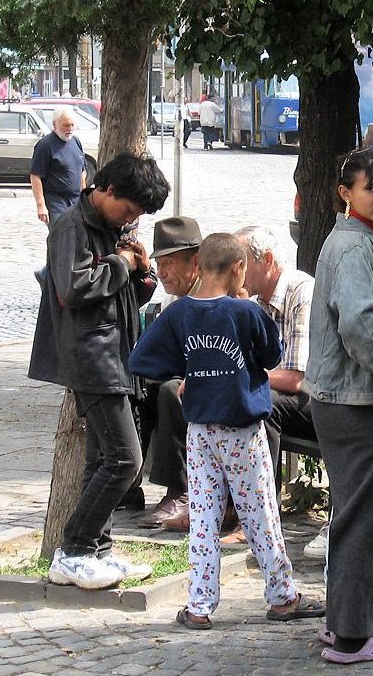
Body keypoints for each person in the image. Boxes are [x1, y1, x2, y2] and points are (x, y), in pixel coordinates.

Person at [127, 232, 326, 630]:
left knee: (203, 517)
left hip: (199, 431)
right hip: (243, 432)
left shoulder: (179, 313)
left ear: (198, 266)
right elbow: (271, 355)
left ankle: (199, 606)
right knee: (261, 513)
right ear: (238, 268)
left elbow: (142, 359)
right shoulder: (246, 313)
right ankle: (283, 595)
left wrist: (190, 370)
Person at [29, 152, 169, 590]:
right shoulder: (71, 225)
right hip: (93, 359)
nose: (132, 219)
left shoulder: (111, 228)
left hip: (118, 355)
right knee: (127, 459)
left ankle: (97, 549)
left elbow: (125, 298)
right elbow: (72, 288)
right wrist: (122, 265)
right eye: (130, 209)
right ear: (106, 189)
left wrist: (143, 273)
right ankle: (73, 549)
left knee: (102, 461)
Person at [304, 148, 373, 664]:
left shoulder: (354, 240)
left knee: (352, 513)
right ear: (345, 194)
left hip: (347, 398)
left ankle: (341, 623)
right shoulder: (353, 247)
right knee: (363, 518)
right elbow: (358, 327)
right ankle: (352, 636)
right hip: (360, 400)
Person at [135, 216, 204, 530]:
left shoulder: (213, 294)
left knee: (169, 390)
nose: (161, 272)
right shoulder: (172, 300)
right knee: (138, 386)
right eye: (158, 263)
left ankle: (180, 489)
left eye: (170, 263)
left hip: (217, 384)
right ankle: (127, 481)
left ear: (195, 262)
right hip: (188, 378)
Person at [234, 226, 316, 473]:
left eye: (242, 263)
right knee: (223, 395)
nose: (236, 271)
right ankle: (225, 499)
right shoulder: (257, 302)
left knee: (261, 403)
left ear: (267, 260)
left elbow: (296, 380)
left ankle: (261, 504)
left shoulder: (303, 292)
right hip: (284, 394)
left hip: (320, 400)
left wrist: (240, 378)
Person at [29, 107, 86, 225]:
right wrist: (41, 205)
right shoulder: (45, 145)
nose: (70, 129)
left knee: (78, 237)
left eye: (72, 125)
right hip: (55, 201)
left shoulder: (76, 142)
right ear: (55, 125)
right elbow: (35, 176)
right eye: (66, 125)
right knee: (61, 236)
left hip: (75, 201)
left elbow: (82, 172)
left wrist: (84, 199)